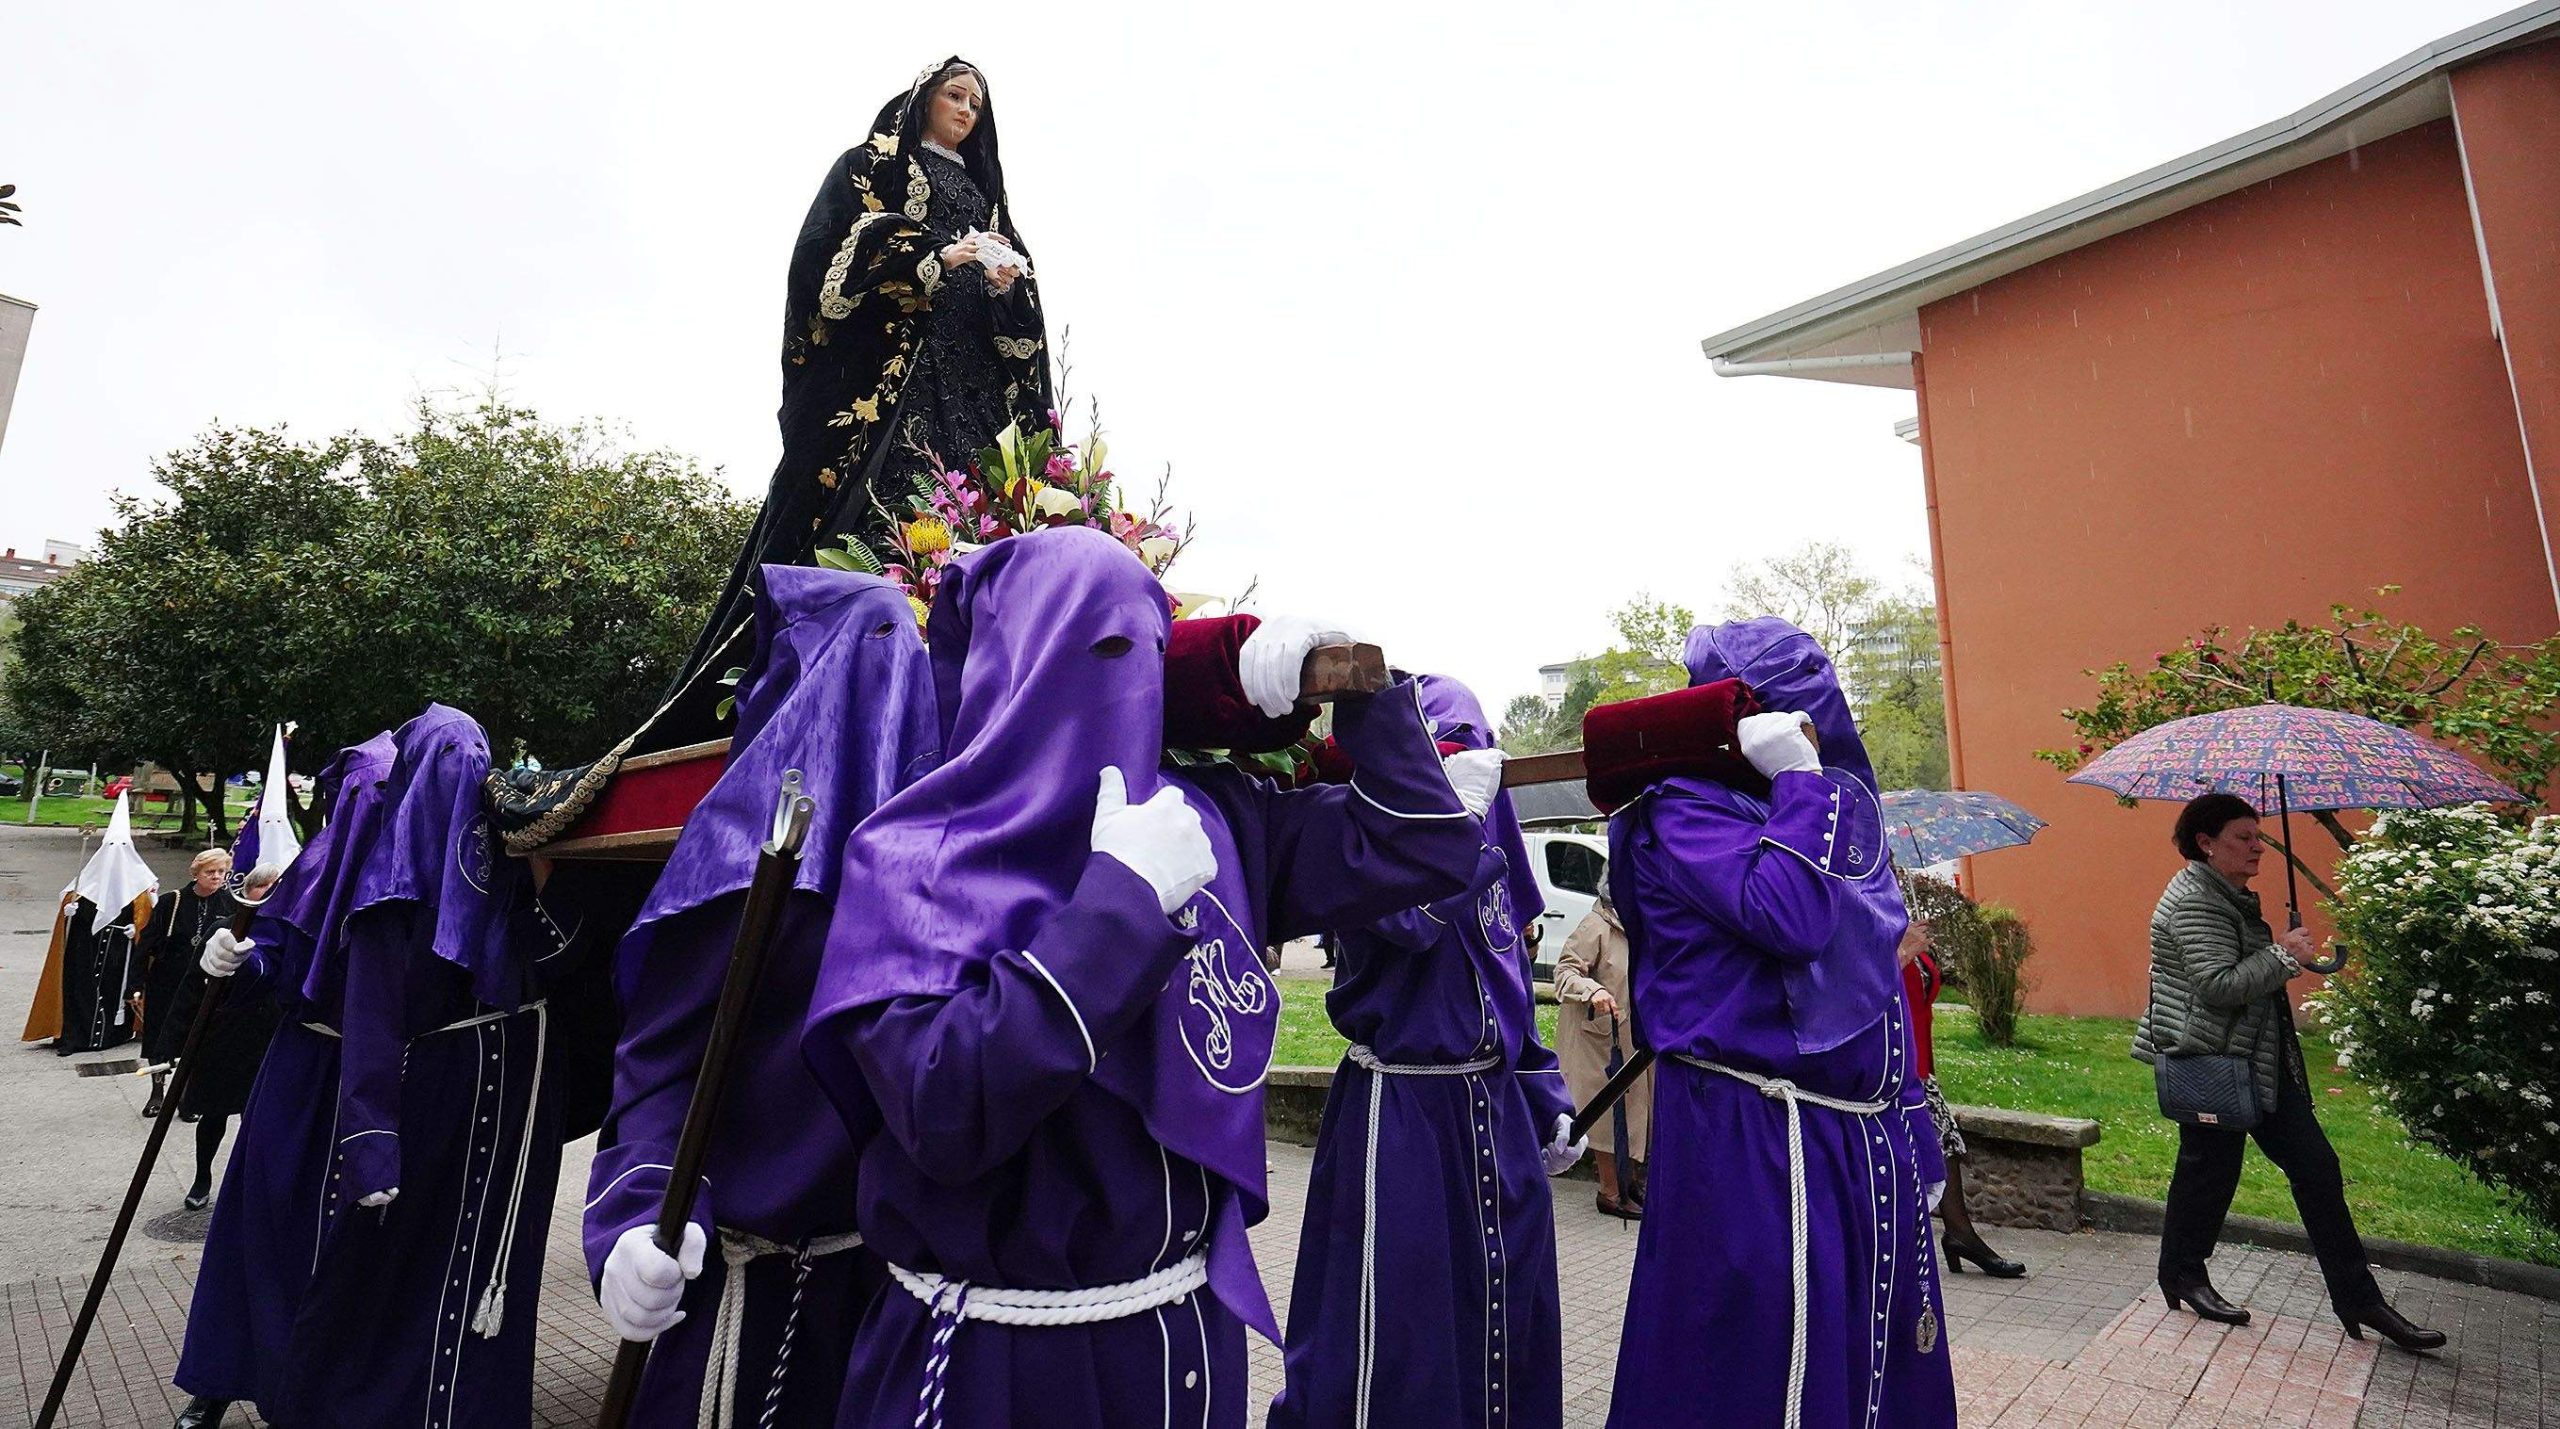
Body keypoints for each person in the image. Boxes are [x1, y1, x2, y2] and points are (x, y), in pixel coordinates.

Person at [799, 527, 1496, 1429]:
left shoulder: (1203, 814)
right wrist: (1119, 911)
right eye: (1106, 649)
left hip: (1184, 1343)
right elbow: (943, 1109)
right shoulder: (916, 856)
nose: (1129, 684)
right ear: (1025, 662)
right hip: (1004, 1365)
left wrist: (1366, 699)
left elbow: (1413, 845)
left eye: (1151, 651)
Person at [489, 57, 1051, 845]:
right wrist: (934, 256)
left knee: (968, 529)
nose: (966, 109)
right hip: (890, 390)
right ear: (923, 99)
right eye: (954, 95)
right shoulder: (870, 167)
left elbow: (1024, 330)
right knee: (865, 532)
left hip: (968, 391)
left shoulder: (991, 199)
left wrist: (1002, 283)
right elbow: (827, 265)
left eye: (976, 103)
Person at [170, 706, 598, 1429]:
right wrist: (237, 959)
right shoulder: (344, 848)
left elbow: (504, 958)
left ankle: (329, 1390)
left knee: (359, 1259)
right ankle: (222, 1377)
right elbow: (289, 941)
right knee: (263, 1230)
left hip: (394, 1079)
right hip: (310, 1074)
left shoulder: (475, 854)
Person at [585, 568, 939, 1429]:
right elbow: (662, 1065)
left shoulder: (939, 865)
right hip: (743, 1294)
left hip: (883, 1297)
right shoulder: (732, 867)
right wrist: (634, 1215)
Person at [1606, 617, 1955, 1429]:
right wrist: (1803, 783)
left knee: (1869, 1367)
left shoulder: (1824, 813)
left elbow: (1872, 986)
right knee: (1761, 1372)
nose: (1818, 724)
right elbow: (1789, 916)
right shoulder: (1683, 809)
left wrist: (1911, 1124)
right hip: (1755, 1139)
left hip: (1854, 1144)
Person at [1268, 675, 1581, 1429]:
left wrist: (1544, 1093)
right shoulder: (1370, 836)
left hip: (1495, 1114)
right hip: (1402, 1119)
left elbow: (1510, 979)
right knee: (1398, 1341)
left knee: (1509, 1327)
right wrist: (1452, 828)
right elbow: (1407, 923)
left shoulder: (1491, 856)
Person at [2137, 793, 2444, 1351]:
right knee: (2210, 1171)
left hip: (2254, 1060)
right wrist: (2282, 956)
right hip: (2216, 1061)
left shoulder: (2226, 893)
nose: (2258, 847)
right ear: (2206, 843)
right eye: (2243, 837)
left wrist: (2281, 952)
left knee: (2315, 1169)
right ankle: (2183, 1272)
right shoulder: (2193, 902)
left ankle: (2359, 1299)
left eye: (2258, 836)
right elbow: (2219, 985)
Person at [1898, 919, 2025, 1277]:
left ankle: (1958, 1234)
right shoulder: (1874, 928)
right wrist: (1904, 952)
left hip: (1920, 1066)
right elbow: (1860, 990)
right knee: (1935, 1149)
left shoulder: (1904, 926)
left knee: (1945, 1146)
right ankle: (1955, 1235)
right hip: (1894, 1067)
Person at [23, 791, 158, 1055]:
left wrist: (136, 929)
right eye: (111, 848)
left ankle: (112, 1034)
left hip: (120, 951)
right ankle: (76, 1036)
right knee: (81, 992)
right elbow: (69, 915)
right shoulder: (85, 884)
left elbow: (148, 918)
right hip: (86, 949)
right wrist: (69, 908)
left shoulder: (140, 887)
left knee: (111, 993)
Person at [1555, 892, 1653, 1219]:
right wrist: (1592, 990)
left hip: (1635, 1040)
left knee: (1636, 1116)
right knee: (1606, 1119)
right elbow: (1565, 973)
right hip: (1598, 1042)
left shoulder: (1639, 925)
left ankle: (1629, 1186)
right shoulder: (1596, 925)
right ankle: (1610, 1192)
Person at [138, 848, 237, 1121]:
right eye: (210, 872)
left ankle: (185, 1096)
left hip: (204, 984)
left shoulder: (229, 903)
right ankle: (157, 1092)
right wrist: (134, 985)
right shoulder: (173, 901)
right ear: (196, 874)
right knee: (160, 1037)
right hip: (167, 981)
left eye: (221, 872)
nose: (216, 877)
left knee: (196, 1038)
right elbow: (146, 944)